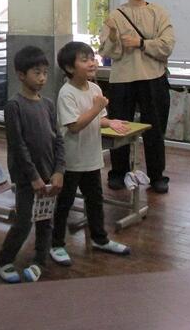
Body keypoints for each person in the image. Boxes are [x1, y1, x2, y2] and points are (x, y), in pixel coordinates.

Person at [51, 41, 131, 264]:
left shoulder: (95, 89)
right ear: (69, 67)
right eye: (84, 60)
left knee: (95, 200)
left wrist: (110, 122)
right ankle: (56, 244)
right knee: (65, 203)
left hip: (92, 158)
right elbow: (74, 126)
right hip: (71, 160)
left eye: (92, 58)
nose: (91, 63)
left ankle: (100, 239)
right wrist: (96, 108)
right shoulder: (67, 93)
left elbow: (99, 118)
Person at [99, 0, 175, 194]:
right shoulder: (115, 15)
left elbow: (167, 45)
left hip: (154, 77)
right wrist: (114, 37)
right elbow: (106, 51)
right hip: (122, 79)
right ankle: (118, 173)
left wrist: (141, 43)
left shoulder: (159, 13)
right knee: (119, 128)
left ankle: (157, 175)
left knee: (155, 129)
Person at [0, 46, 64, 284]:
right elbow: (18, 145)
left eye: (45, 72)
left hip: (49, 174)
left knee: (46, 220)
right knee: (24, 222)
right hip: (27, 178)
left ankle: (39, 261)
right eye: (37, 73)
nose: (43, 78)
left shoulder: (48, 104)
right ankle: (4, 260)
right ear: (21, 74)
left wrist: (59, 171)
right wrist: (34, 176)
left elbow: (58, 140)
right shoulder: (14, 105)